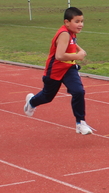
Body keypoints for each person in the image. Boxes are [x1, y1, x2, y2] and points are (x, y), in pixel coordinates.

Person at [23, 7, 94, 135]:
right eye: (77, 21)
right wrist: (78, 56)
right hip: (55, 70)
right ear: (67, 22)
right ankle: (31, 102)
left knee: (78, 91)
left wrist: (80, 49)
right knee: (47, 96)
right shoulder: (64, 34)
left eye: (82, 21)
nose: (81, 24)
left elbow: (72, 42)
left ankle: (80, 122)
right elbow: (59, 56)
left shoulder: (71, 32)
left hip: (69, 69)